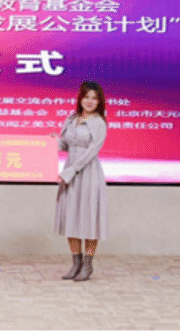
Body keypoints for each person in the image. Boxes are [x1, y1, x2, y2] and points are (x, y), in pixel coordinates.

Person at [56, 80, 108, 282]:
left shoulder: (99, 122)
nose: (90, 101)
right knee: (71, 219)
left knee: (90, 219)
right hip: (70, 172)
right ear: (80, 98)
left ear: (99, 101)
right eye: (87, 97)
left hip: (88, 173)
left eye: (94, 98)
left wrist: (71, 171)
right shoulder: (71, 119)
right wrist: (52, 142)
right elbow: (65, 144)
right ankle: (75, 263)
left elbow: (91, 151)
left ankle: (87, 264)